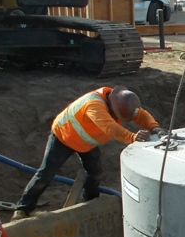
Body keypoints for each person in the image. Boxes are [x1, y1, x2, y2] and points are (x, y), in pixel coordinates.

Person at [13, 87, 162, 219]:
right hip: (63, 138)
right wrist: (132, 137)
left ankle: (90, 202)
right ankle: (22, 210)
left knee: (95, 172)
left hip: (86, 144)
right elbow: (109, 127)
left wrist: (154, 127)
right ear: (113, 107)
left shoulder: (119, 101)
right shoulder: (94, 105)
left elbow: (140, 114)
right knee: (46, 174)